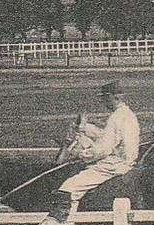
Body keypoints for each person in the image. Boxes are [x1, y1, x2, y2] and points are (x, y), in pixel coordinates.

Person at [59, 81, 140, 212]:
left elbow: (104, 149)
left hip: (112, 166)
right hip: (127, 162)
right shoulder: (128, 114)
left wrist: (82, 154)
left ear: (114, 98)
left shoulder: (116, 118)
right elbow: (106, 135)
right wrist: (83, 127)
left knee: (67, 190)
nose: (104, 103)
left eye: (105, 99)